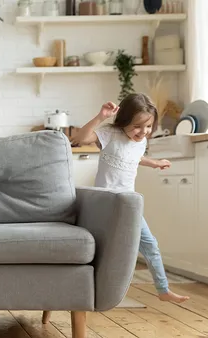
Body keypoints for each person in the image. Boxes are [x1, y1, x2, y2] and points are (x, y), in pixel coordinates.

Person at [70, 93, 190, 303]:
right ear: (123, 121)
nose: (143, 132)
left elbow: (134, 157)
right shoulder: (109, 134)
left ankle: (163, 290)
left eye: (148, 127)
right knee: (103, 248)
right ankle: (88, 289)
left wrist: (154, 162)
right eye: (137, 126)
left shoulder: (140, 142)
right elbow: (80, 139)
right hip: (107, 203)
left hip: (129, 204)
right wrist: (101, 116)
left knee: (150, 245)